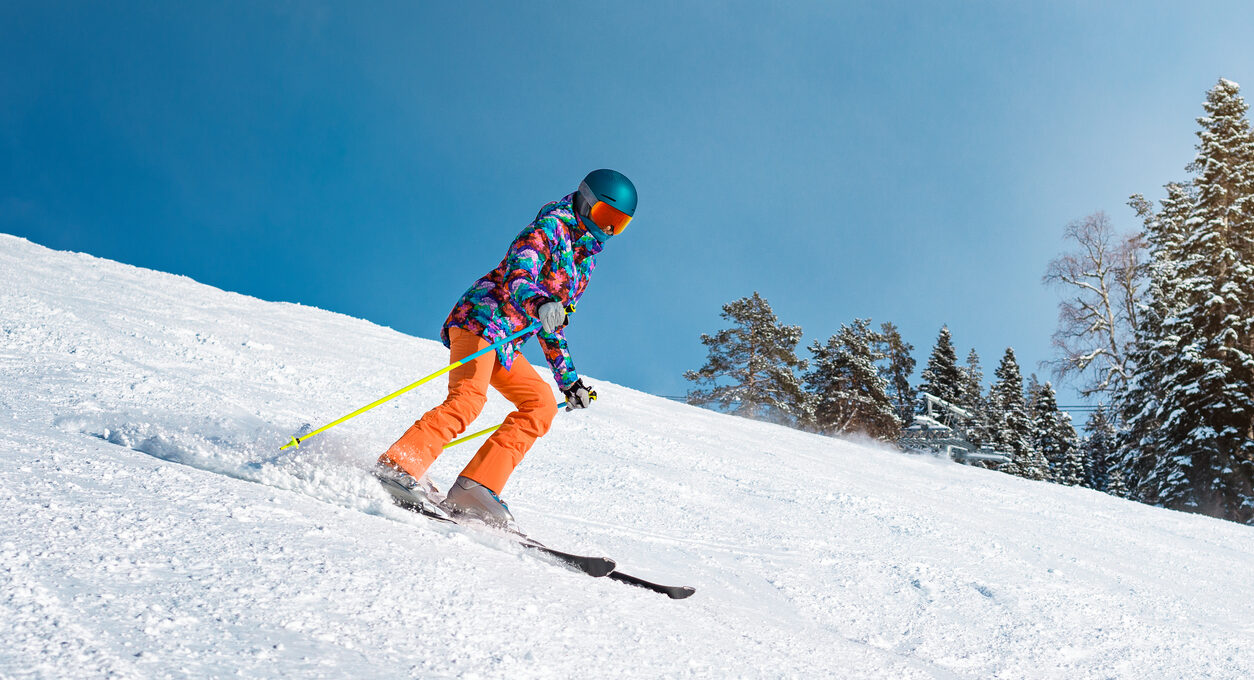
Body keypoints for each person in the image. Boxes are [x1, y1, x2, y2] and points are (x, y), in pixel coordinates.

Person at [375, 169, 637, 530]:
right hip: (481, 320)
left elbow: (552, 324)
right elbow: (518, 274)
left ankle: (476, 487)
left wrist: (570, 382)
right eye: (606, 217)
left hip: (505, 343)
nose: (608, 230)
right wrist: (541, 301)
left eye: (618, 224)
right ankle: (399, 465)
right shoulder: (549, 228)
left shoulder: (584, 264)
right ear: (586, 203)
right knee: (468, 399)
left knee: (541, 404)